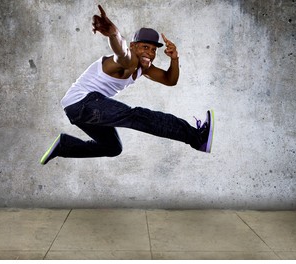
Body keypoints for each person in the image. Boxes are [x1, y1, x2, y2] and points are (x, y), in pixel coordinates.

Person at [40, 5, 214, 164]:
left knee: (113, 147)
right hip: (84, 103)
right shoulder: (128, 61)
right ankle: (197, 138)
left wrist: (174, 58)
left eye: (153, 50)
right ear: (133, 46)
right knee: (136, 116)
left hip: (77, 110)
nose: (150, 54)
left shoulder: (144, 68)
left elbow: (170, 80)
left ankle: (64, 146)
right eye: (145, 47)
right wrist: (113, 33)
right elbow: (121, 52)